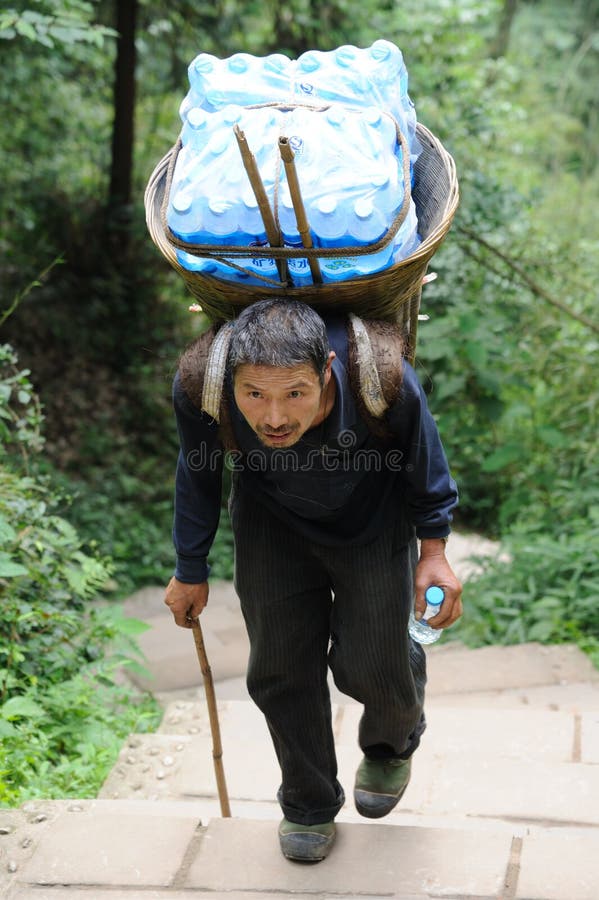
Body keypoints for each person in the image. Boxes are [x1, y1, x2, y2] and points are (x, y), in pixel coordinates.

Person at [164, 298, 462, 862]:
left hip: (372, 524)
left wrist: (435, 551)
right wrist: (190, 567)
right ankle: (307, 802)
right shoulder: (201, 383)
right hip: (271, 522)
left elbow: (426, 460)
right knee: (279, 666)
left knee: (375, 663)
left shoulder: (381, 375)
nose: (274, 417)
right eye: (254, 396)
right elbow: (196, 471)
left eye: (294, 394)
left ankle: (391, 743)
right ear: (231, 384)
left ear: (327, 368)